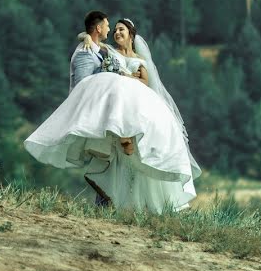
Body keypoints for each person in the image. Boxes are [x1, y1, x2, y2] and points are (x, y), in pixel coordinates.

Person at [24, 15, 200, 214]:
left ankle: (140, 204)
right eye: (114, 29)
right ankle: (111, 202)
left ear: (131, 36)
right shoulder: (110, 51)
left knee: (136, 155)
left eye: (121, 30)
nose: (116, 32)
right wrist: (87, 38)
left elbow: (145, 82)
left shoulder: (139, 60)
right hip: (117, 105)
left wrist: (130, 79)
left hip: (133, 105)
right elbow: (88, 35)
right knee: (115, 157)